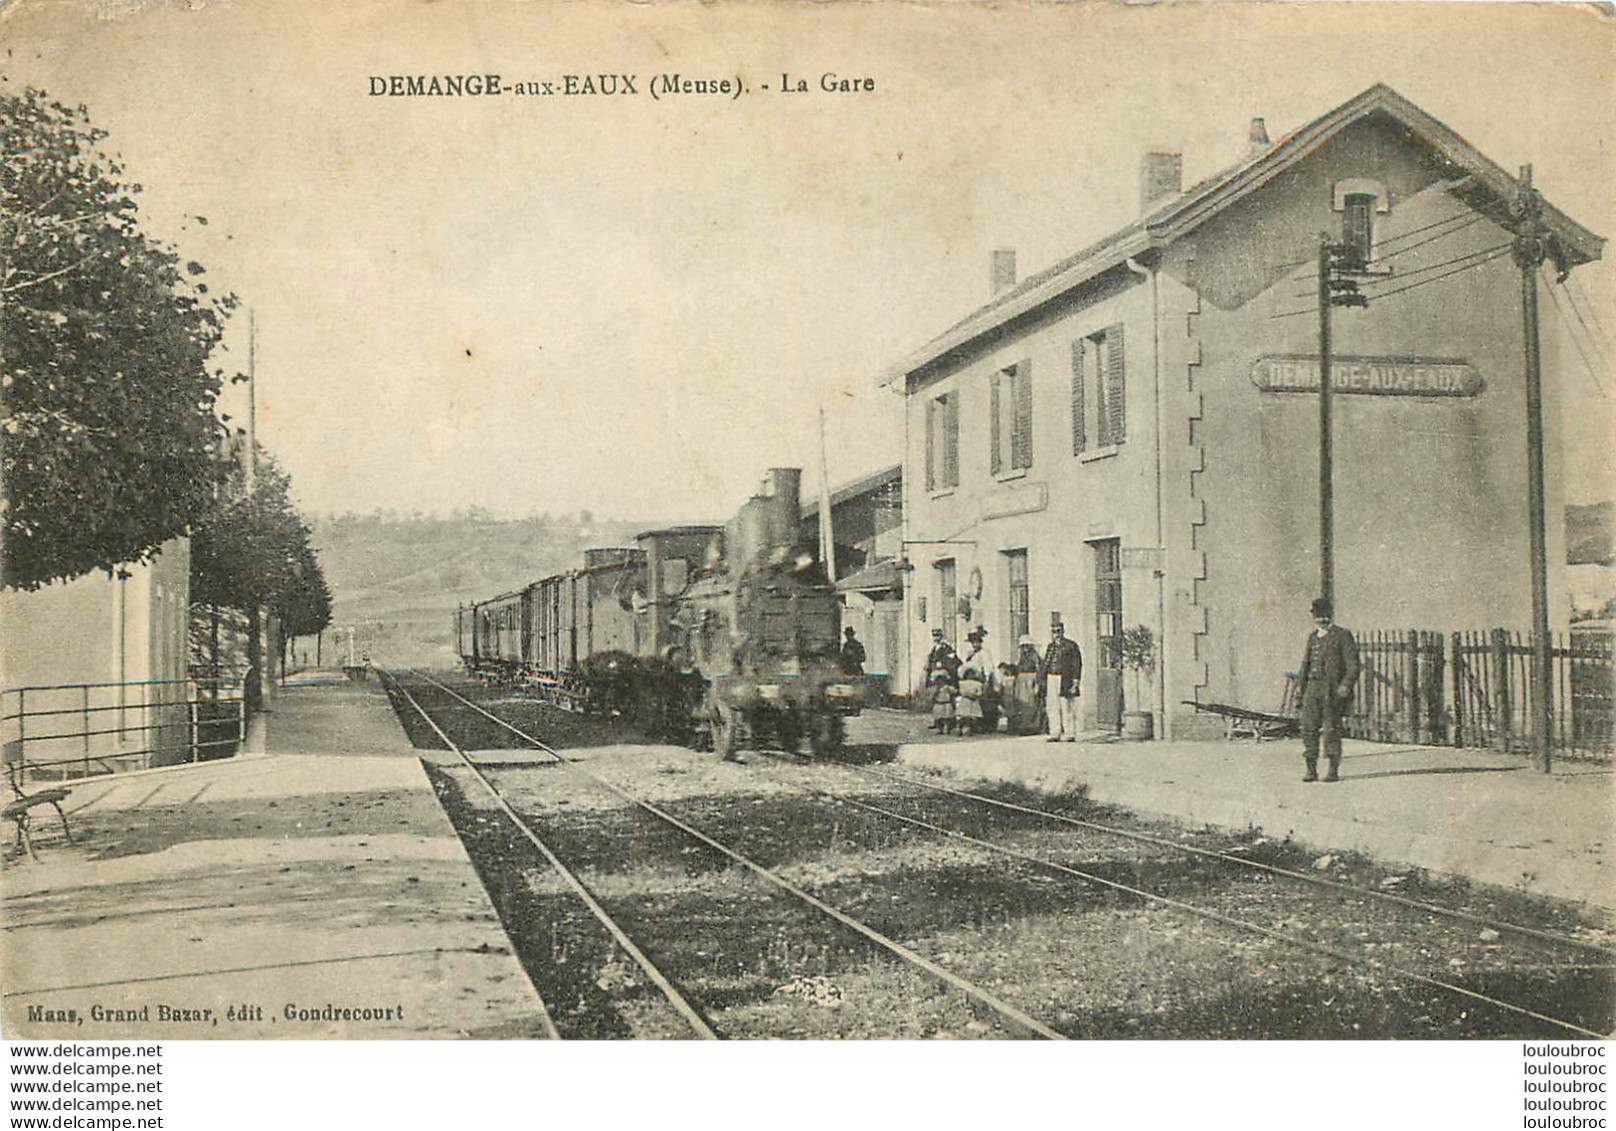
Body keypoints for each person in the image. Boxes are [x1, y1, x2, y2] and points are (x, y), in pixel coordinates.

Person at [1296, 597, 1360, 782]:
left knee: (1331, 730)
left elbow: (1353, 665)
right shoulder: (1312, 637)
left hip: (1331, 691)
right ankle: (1311, 770)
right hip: (1312, 690)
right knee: (1308, 729)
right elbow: (1305, 665)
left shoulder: (1342, 635)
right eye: (1318, 617)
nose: (1322, 620)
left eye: (1325, 616)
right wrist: (1300, 689)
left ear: (1331, 616)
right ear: (1313, 617)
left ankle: (1332, 770)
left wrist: (1345, 686)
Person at [1041, 618, 1083, 742]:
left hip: (1065, 678)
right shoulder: (1050, 647)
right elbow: (1045, 664)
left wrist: (1075, 682)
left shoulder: (1071, 646)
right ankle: (1055, 732)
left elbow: (1076, 664)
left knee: (1066, 706)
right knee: (1052, 707)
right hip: (1051, 678)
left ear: (1063, 631)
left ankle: (1069, 733)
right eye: (1054, 632)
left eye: (1058, 631)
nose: (1056, 634)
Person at [928, 670, 958, 735]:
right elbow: (931, 697)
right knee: (939, 718)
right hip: (938, 703)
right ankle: (940, 729)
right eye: (938, 680)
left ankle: (947, 729)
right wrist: (935, 693)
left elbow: (955, 692)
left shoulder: (948, 688)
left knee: (947, 718)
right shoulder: (935, 688)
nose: (940, 682)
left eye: (942, 680)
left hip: (946, 703)